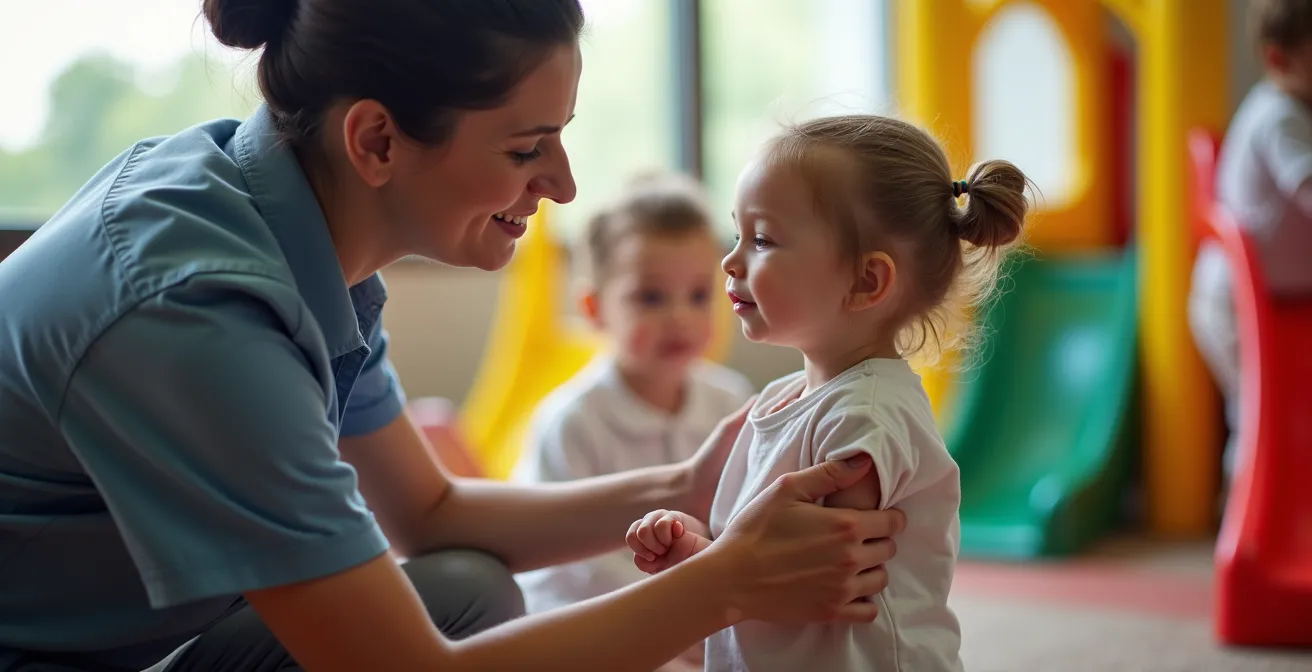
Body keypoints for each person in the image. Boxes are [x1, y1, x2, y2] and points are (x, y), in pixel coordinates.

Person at [0, 1, 909, 671]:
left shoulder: (292, 237)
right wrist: (726, 584)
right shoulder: (197, 310)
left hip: (127, 634)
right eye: (526, 148)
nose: (561, 185)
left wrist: (690, 482)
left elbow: (431, 514)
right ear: (377, 142)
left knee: (465, 586)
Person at [627, 115, 1032, 671]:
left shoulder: (865, 417)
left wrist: (703, 564)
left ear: (867, 281)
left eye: (763, 239)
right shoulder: (782, 399)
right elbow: (758, 559)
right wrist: (696, 548)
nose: (730, 259)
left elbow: (814, 577)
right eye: (738, 233)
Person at [511, 172, 754, 671]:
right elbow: (571, 565)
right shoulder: (572, 421)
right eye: (650, 298)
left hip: (701, 608)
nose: (680, 318)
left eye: (698, 295)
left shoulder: (730, 401)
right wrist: (672, 619)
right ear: (595, 308)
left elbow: (741, 518)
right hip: (590, 616)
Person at [1188, 0, 1312, 479]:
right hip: (1236, 304)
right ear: (1280, 59)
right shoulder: (1279, 117)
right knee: (1259, 412)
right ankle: (1248, 513)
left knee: (1269, 409)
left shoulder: (1298, 110)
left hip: (1272, 300)